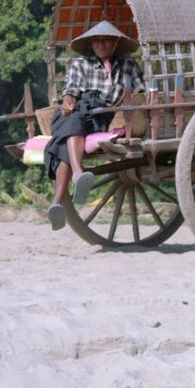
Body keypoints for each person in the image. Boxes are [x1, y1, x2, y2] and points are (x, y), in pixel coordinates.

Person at [44, 20, 146, 230]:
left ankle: (57, 200)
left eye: (106, 40)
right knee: (71, 121)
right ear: (91, 44)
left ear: (116, 43)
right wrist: (68, 100)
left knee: (66, 134)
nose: (101, 45)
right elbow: (70, 90)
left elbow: (140, 93)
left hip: (102, 116)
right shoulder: (81, 65)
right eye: (97, 41)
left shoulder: (127, 65)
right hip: (78, 113)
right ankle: (77, 174)